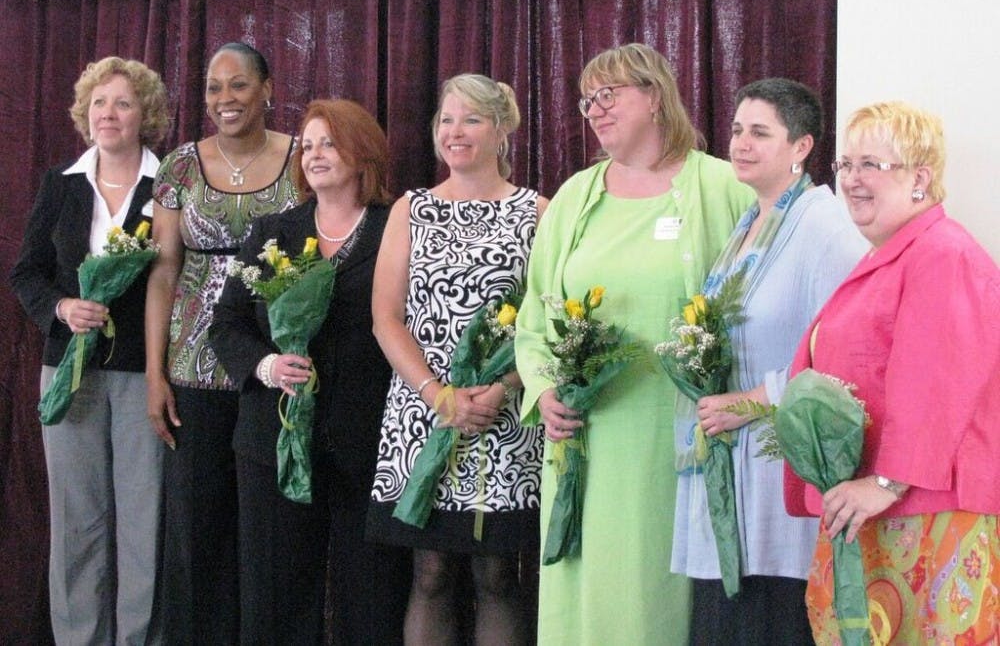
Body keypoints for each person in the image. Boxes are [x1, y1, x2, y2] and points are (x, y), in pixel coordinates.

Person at [514, 43, 755, 645]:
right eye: (586, 100)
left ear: (653, 96)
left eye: (608, 94)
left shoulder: (722, 185)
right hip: (585, 435)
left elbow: (765, 298)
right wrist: (543, 391)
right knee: (584, 593)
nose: (594, 110)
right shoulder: (574, 196)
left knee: (654, 598)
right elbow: (536, 314)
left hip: (678, 439)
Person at [785, 101, 1000, 643]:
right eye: (846, 164)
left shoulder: (942, 253)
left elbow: (936, 383)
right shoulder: (892, 256)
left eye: (871, 165)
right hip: (882, 508)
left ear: (920, 178)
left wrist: (884, 482)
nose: (851, 179)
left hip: (924, 510)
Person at [669, 78, 869, 645]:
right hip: (728, 469)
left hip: (778, 478)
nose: (741, 143)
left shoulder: (825, 226)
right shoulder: (749, 222)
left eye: (760, 132)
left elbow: (848, 355)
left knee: (770, 623)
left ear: (801, 146)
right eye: (737, 130)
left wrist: (753, 402)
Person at [208, 99, 412, 645]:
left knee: (371, 597)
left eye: (330, 143)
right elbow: (226, 324)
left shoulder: (397, 228)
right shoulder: (272, 231)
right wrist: (268, 365)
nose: (315, 154)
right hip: (273, 443)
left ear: (362, 152)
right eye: (309, 145)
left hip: (368, 444)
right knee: (275, 598)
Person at [368, 73, 547, 645]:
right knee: (430, 574)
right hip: (425, 414)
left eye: (471, 119)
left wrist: (505, 386)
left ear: (501, 129)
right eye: (446, 119)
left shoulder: (538, 211)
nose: (455, 131)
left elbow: (548, 321)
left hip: (504, 416)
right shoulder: (411, 209)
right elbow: (386, 318)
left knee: (498, 577)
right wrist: (437, 393)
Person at [10, 56, 169, 645]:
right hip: (67, 374)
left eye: (123, 103)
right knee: (77, 524)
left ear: (144, 114)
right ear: (85, 112)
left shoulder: (169, 185)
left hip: (142, 376)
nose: (109, 113)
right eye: (100, 103)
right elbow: (26, 273)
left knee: (143, 523)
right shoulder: (61, 183)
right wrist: (61, 307)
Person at [144, 41, 297, 644]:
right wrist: (155, 373)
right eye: (213, 87)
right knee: (197, 529)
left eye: (238, 84)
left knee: (272, 532)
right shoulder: (180, 166)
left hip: (272, 367)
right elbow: (163, 271)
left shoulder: (301, 157)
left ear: (267, 90)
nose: (224, 98)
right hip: (193, 369)